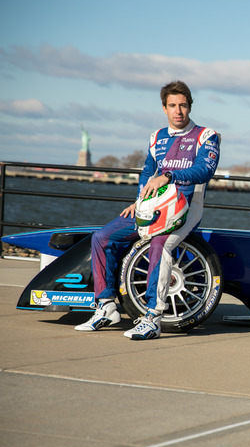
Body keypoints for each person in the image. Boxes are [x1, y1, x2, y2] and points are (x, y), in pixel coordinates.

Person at [76, 80, 220, 340]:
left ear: (190, 107)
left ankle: (153, 316)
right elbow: (146, 172)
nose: (178, 111)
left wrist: (168, 176)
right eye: (173, 106)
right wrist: (139, 198)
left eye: (183, 105)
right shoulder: (156, 137)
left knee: (160, 243)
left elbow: (205, 171)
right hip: (152, 206)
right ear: (164, 108)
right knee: (102, 238)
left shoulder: (206, 135)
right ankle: (106, 306)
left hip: (186, 206)